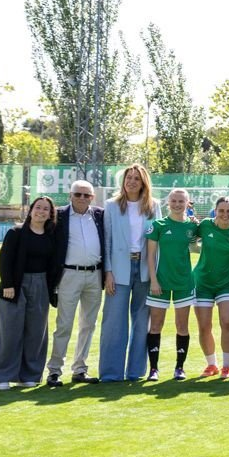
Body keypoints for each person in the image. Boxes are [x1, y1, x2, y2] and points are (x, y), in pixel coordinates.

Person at [0, 196, 59, 389]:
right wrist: (8, 284)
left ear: (50, 214)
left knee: (36, 332)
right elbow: (5, 260)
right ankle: (2, 376)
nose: (41, 211)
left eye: (46, 209)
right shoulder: (16, 232)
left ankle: (29, 375)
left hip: (41, 286)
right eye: (38, 207)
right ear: (31, 210)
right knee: (9, 331)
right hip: (15, 286)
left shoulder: (51, 235)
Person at [46, 180, 106, 387]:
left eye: (86, 195)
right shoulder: (59, 215)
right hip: (69, 275)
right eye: (78, 194)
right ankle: (54, 370)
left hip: (95, 275)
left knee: (88, 325)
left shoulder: (99, 215)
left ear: (92, 197)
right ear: (70, 195)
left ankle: (80, 369)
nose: (82, 198)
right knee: (64, 324)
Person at [100, 163, 155, 382]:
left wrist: (154, 274)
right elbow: (107, 241)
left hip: (144, 271)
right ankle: (111, 373)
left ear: (143, 183)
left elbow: (156, 242)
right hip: (119, 270)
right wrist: (108, 272)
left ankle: (135, 372)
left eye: (136, 178)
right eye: (128, 178)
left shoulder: (153, 206)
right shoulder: (112, 206)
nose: (131, 181)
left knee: (142, 323)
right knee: (114, 322)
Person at [145, 188, 199, 381]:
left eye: (181, 201)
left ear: (187, 203)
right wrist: (153, 280)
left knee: (182, 325)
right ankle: (153, 369)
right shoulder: (158, 225)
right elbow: (150, 256)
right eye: (174, 201)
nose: (177, 204)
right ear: (168, 202)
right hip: (160, 282)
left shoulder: (192, 227)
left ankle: (179, 367)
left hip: (184, 281)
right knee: (156, 324)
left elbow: (195, 247)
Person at [192, 197, 229, 377]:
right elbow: (188, 234)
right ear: (215, 210)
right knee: (204, 326)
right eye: (221, 210)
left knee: (226, 322)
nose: (225, 214)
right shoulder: (205, 225)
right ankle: (211, 364)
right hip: (202, 283)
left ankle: (226, 366)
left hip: (228, 283)